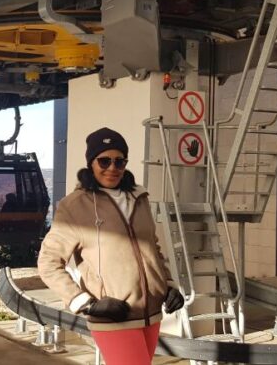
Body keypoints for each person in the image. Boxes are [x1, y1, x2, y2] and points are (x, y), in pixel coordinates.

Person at [37, 127, 183, 365]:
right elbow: (48, 263)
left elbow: (152, 248)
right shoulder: (74, 206)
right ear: (91, 163)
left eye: (119, 161)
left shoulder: (140, 197)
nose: (112, 168)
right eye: (104, 161)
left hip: (152, 314)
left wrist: (167, 284)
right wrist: (85, 303)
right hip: (113, 316)